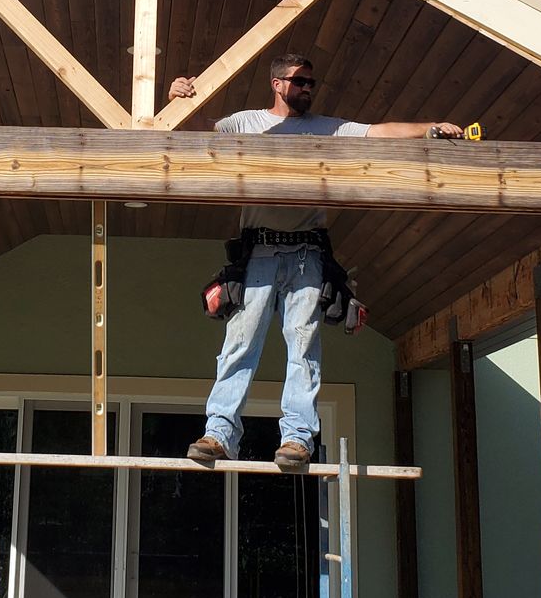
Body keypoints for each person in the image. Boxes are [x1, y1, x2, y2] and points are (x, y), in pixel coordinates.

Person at [169, 52, 464, 470]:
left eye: (311, 83)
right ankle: (218, 433)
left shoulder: (329, 129)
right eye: (299, 81)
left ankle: (297, 438)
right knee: (239, 344)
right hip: (258, 252)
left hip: (307, 252)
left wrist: (430, 129)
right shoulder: (246, 123)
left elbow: (379, 133)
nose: (307, 88)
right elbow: (194, 133)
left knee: (303, 346)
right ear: (277, 83)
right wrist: (180, 98)